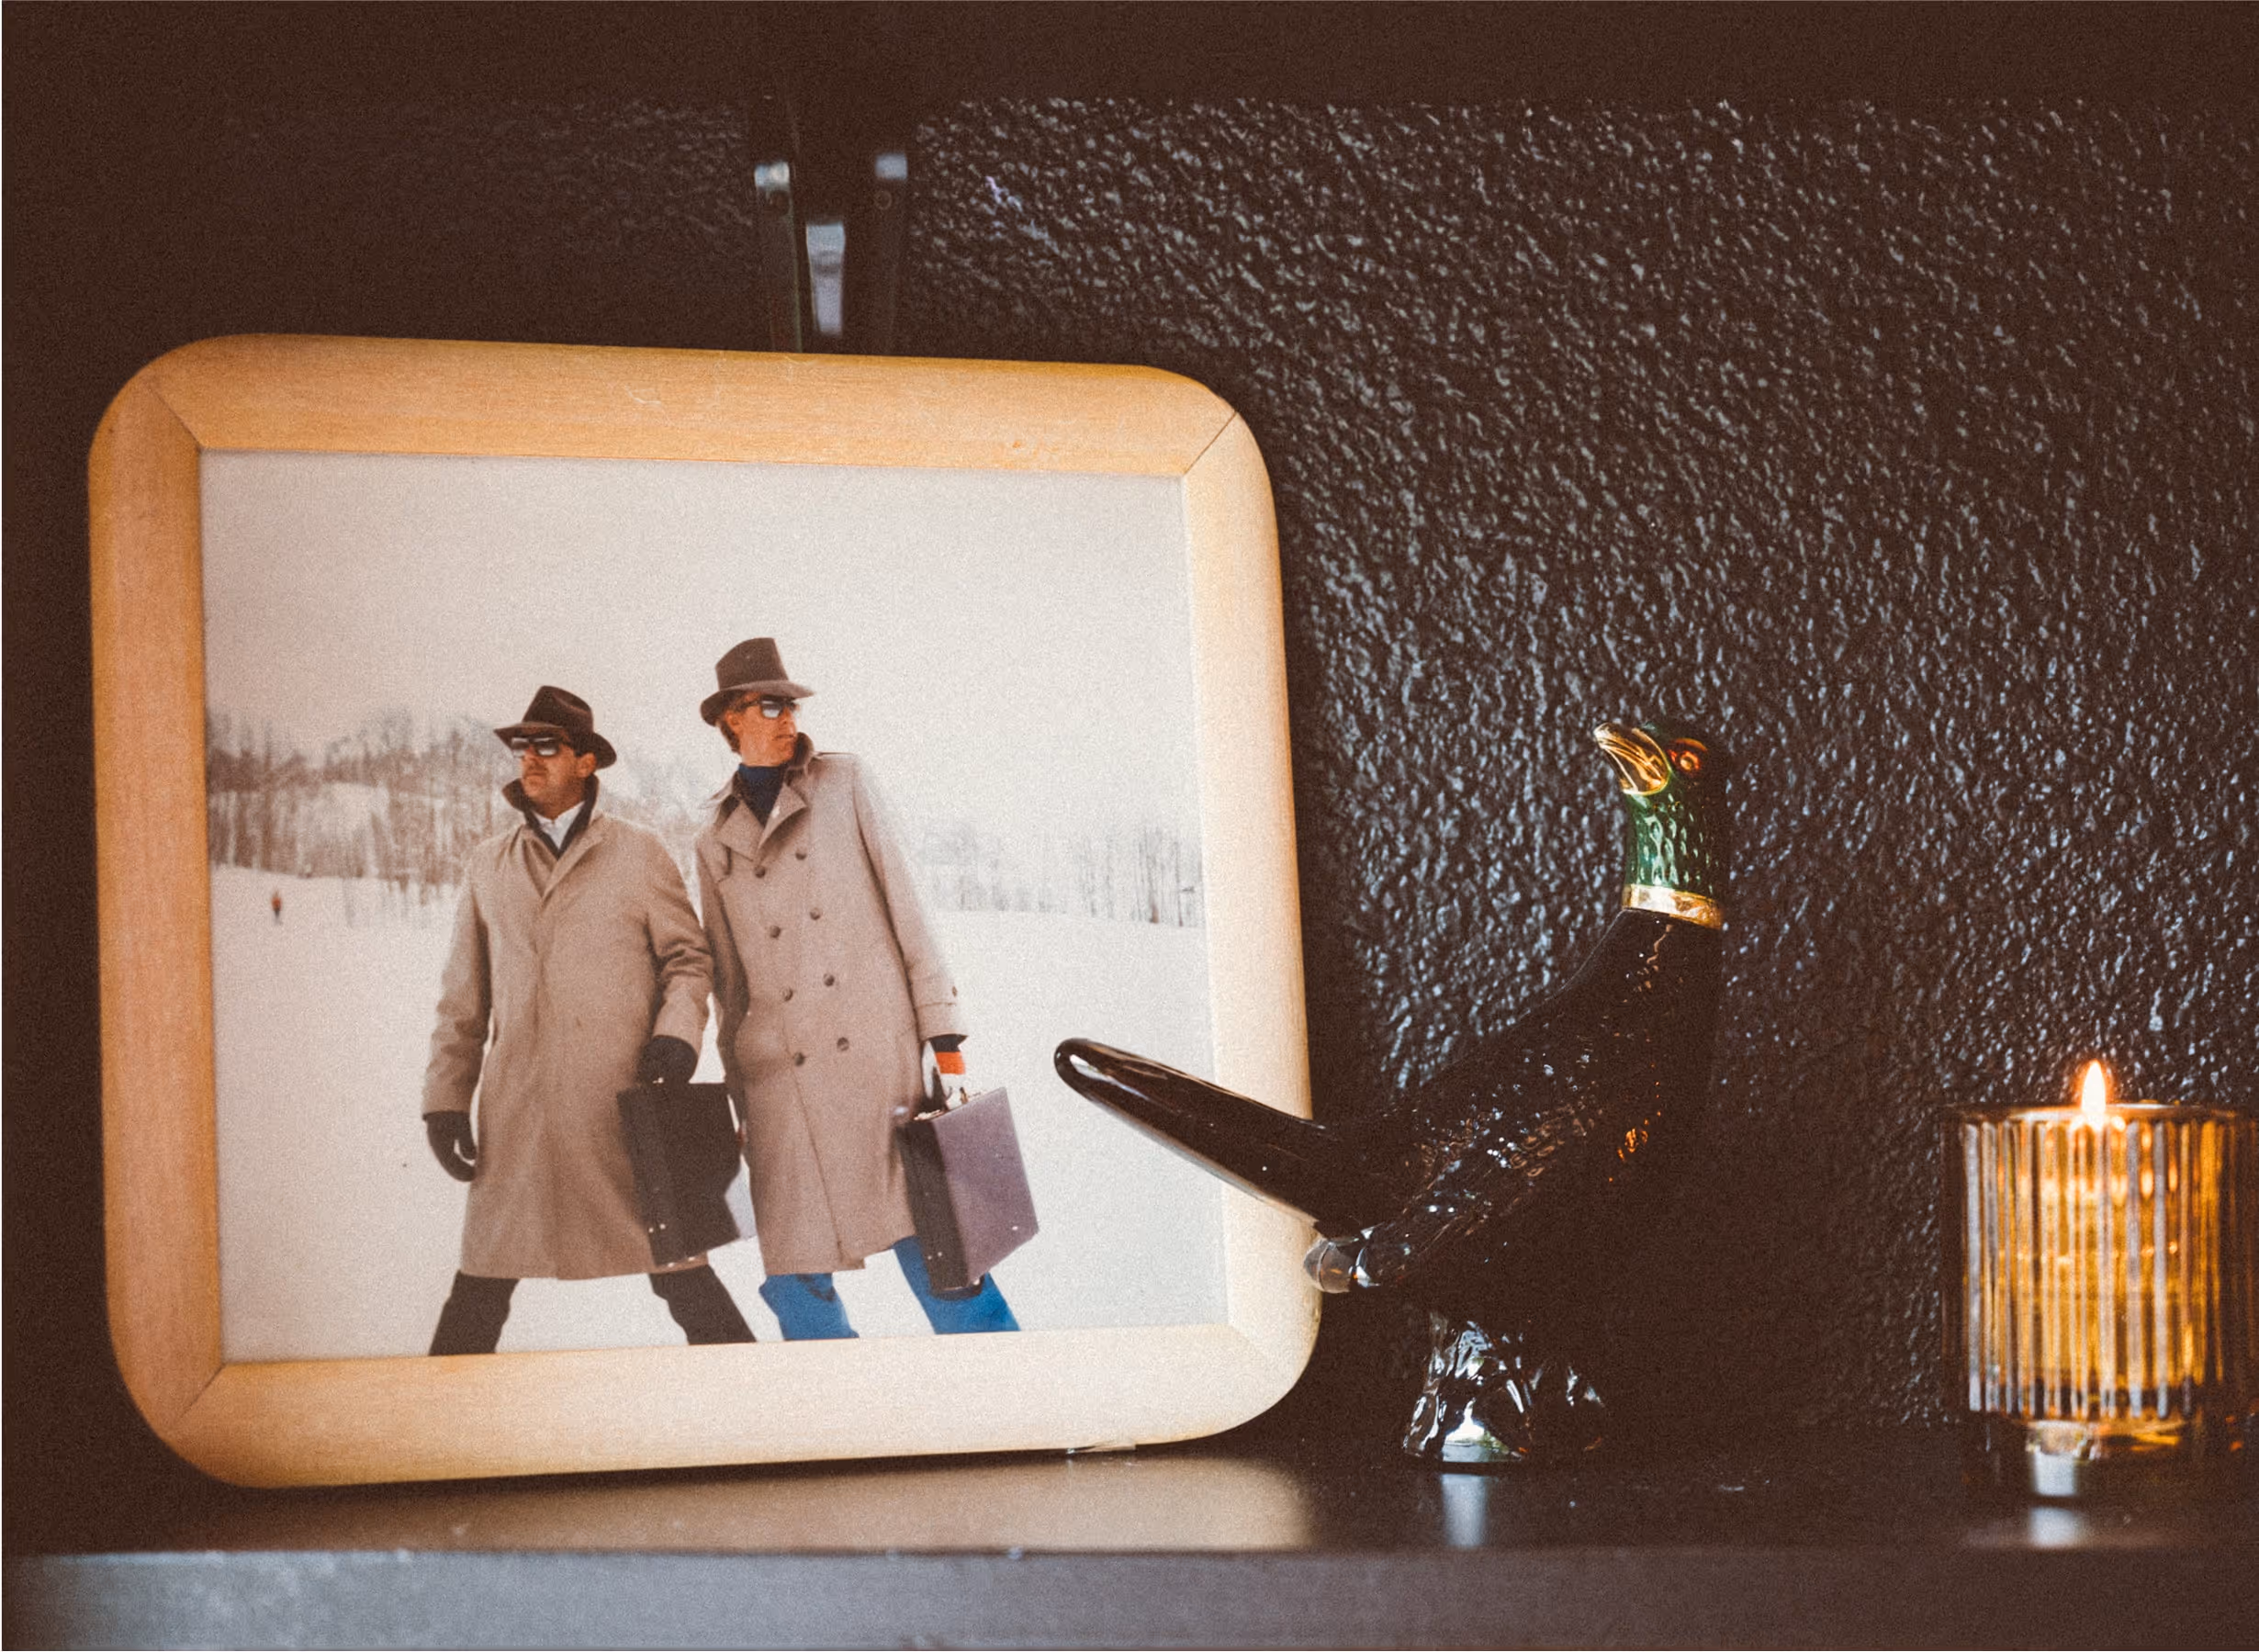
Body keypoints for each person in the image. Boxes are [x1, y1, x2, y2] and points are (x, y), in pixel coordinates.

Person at [693, 637, 1017, 1339]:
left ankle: (1011, 1389)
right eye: (769, 705)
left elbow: (910, 908)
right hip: (780, 1085)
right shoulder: (712, 835)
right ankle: (834, 1406)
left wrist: (945, 1032)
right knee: (793, 1275)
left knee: (937, 1247)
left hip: (874, 1063)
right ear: (730, 720)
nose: (787, 719)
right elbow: (730, 982)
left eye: (792, 704)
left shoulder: (845, 783)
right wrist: (742, 1092)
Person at [421, 685, 756, 1354]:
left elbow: (689, 961)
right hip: (521, 1114)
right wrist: (445, 1102)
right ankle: (430, 1431)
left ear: (585, 763)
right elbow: (463, 1001)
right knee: (482, 1283)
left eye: (548, 745)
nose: (530, 758)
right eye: (523, 746)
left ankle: (754, 1405)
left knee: (681, 1273)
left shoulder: (637, 852)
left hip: (625, 1110)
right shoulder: (488, 864)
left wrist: (675, 1039)